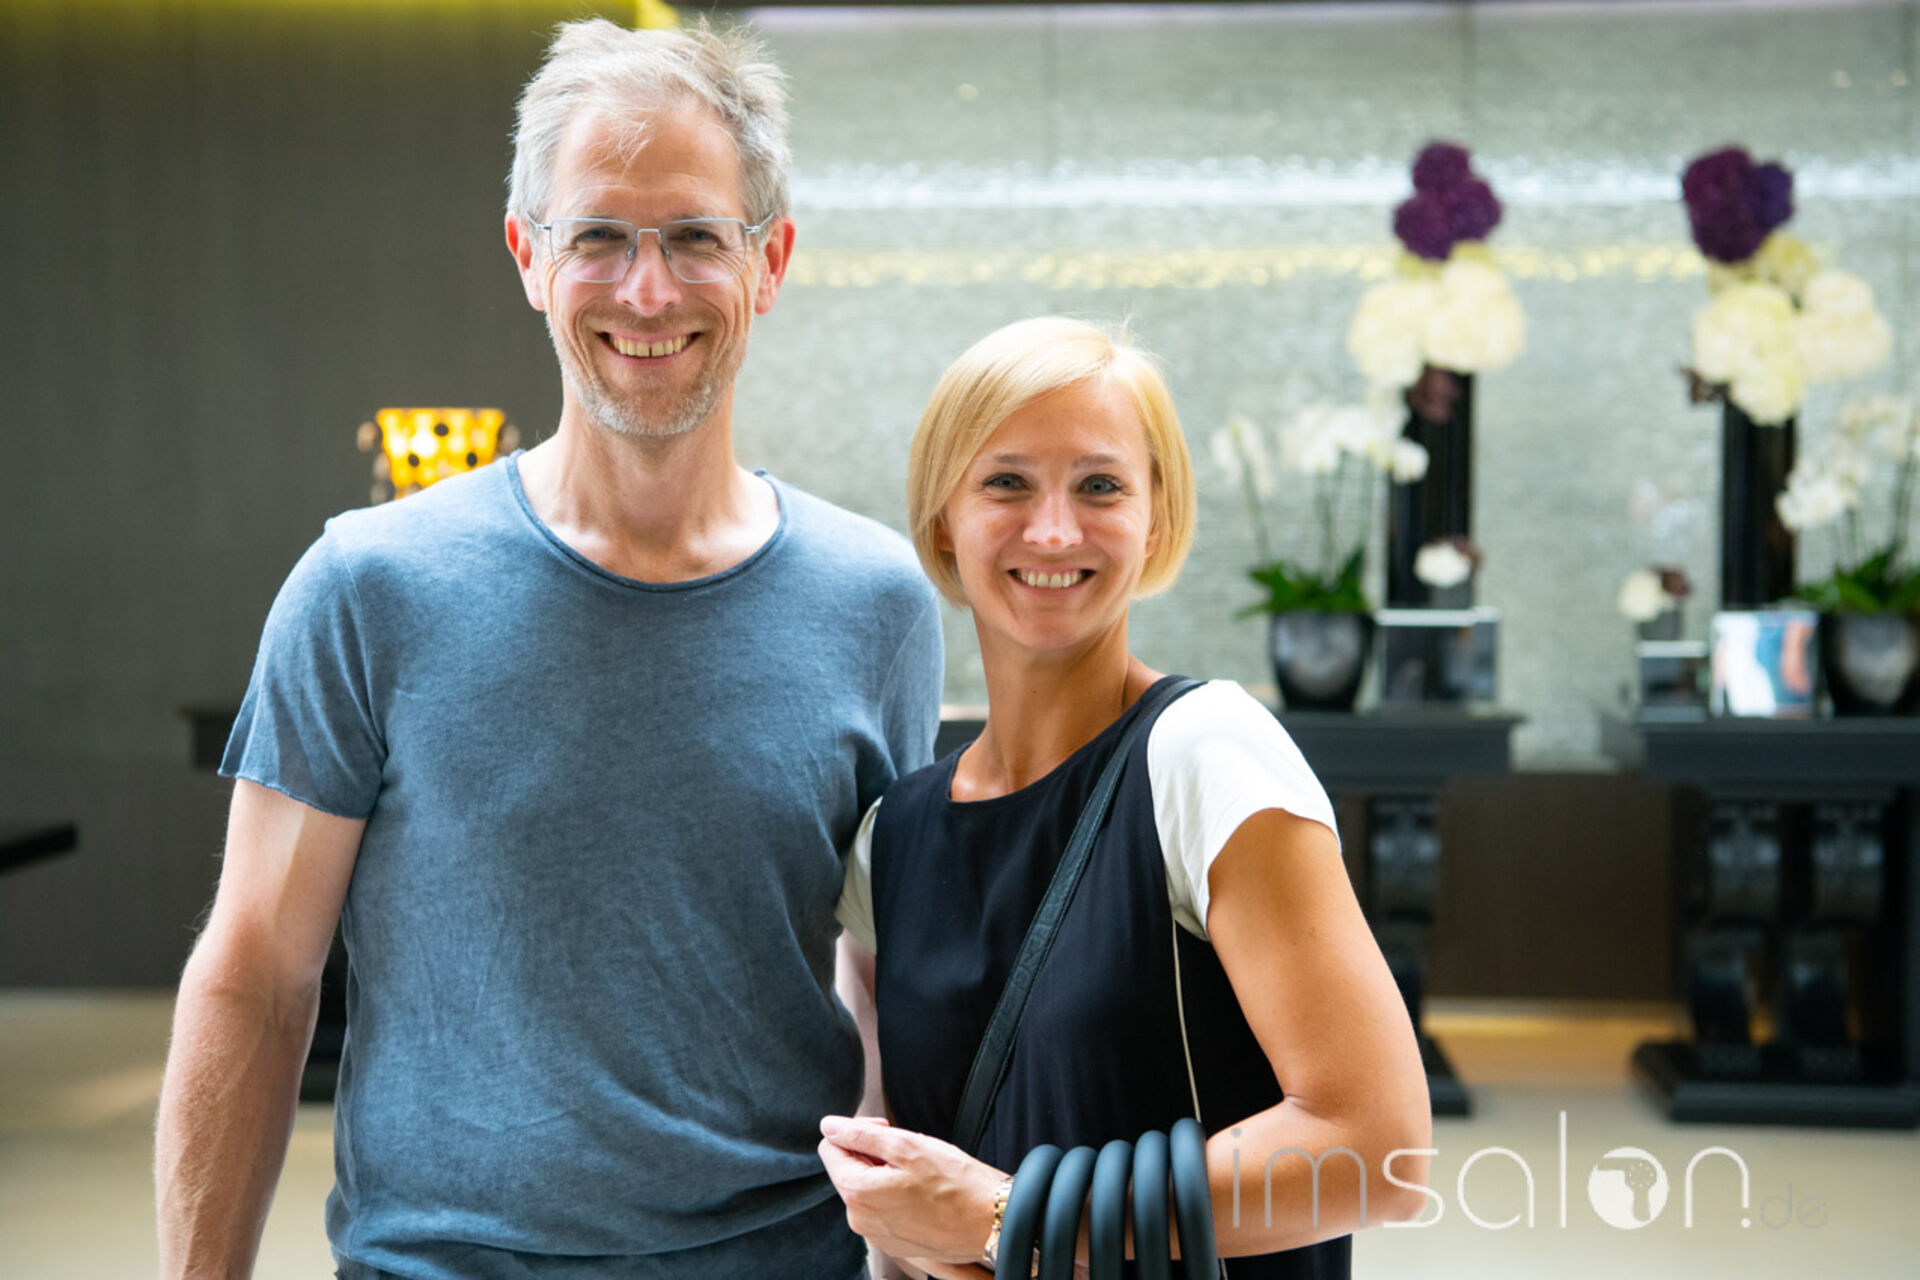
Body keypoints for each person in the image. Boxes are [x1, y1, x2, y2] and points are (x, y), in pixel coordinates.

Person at [154, 18, 942, 1280]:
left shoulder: (877, 603)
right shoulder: (369, 587)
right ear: (529, 255)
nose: (648, 290)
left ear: (770, 261)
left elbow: (884, 979)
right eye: (599, 237)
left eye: (696, 236)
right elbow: (255, 979)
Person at [817, 317, 1431, 1278]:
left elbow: (1374, 1147)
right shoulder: (892, 841)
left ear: (1158, 521)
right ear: (942, 522)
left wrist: (1011, 1218)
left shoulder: (1205, 756)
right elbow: (900, 1198)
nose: (1054, 530)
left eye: (1100, 486)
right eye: (1006, 483)